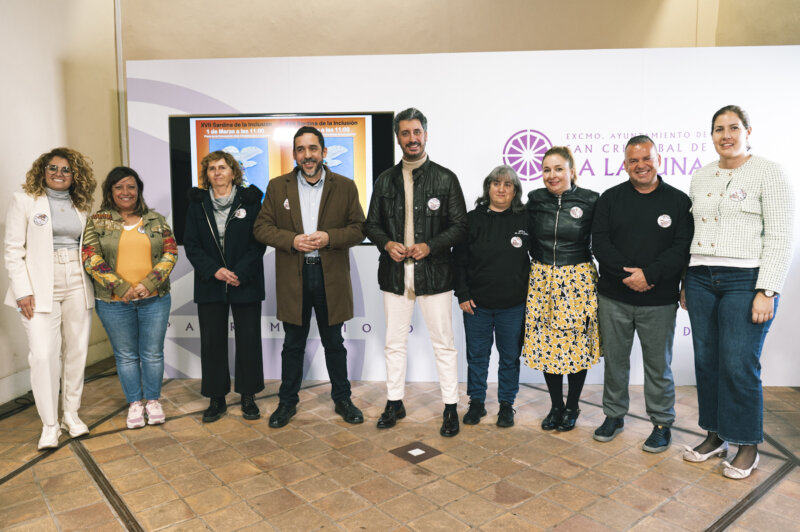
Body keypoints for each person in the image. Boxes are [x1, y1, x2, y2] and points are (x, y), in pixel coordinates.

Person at [681, 105, 793, 479]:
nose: (725, 135)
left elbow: (780, 236)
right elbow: (691, 233)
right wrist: (686, 278)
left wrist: (768, 289)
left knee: (739, 364)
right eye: (718, 129)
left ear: (748, 131)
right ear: (711, 136)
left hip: (744, 280)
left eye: (732, 127)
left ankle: (747, 445)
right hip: (699, 278)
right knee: (707, 361)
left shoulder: (768, 172)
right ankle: (714, 436)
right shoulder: (700, 176)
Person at [253, 126, 366, 428]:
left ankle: (343, 399)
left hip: (331, 278)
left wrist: (329, 237)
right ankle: (287, 403)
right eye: (301, 150)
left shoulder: (344, 186)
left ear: (324, 152)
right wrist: (292, 241)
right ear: (294, 154)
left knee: (334, 344)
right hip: (294, 277)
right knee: (293, 345)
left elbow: (358, 228)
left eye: (313, 149)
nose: (307, 155)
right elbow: (261, 228)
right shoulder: (278, 187)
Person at [365, 107, 468, 437]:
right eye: (405, 133)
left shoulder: (445, 178)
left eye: (417, 132)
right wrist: (386, 243)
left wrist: (431, 245)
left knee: (444, 344)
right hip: (395, 274)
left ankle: (450, 407)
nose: (412, 138)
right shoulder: (385, 180)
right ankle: (394, 401)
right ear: (398, 137)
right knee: (394, 343)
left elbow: (460, 226)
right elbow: (371, 224)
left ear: (426, 134)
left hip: (435, 273)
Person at [591, 135, 692, 452]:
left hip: (659, 301)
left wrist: (649, 275)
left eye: (646, 158)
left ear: (658, 160)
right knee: (615, 363)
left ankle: (662, 423)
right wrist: (630, 275)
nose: (640, 165)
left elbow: (681, 249)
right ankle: (614, 416)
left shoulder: (678, 201)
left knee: (658, 367)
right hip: (614, 298)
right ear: (625, 165)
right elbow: (600, 244)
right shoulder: (610, 199)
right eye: (633, 160)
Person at [4, 148, 96, 449]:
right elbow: (13, 251)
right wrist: (22, 291)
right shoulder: (24, 201)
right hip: (39, 285)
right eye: (53, 168)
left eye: (66, 169)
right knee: (43, 355)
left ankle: (71, 414)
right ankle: (50, 425)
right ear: (43, 171)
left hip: (77, 281)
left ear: (75, 175)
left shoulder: (81, 204)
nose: (59, 173)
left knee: (76, 351)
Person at [82, 167, 177, 429]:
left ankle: (153, 401)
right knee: (125, 356)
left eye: (131, 187)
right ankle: (135, 404)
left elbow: (170, 253)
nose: (126, 192)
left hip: (154, 299)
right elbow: (90, 257)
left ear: (139, 190)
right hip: (113, 302)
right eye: (119, 187)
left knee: (153, 354)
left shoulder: (156, 220)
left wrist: (148, 284)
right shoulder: (97, 221)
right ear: (110, 191)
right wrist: (120, 286)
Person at [184, 151, 267, 423]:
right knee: (212, 342)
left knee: (249, 340)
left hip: (246, 281)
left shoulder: (251, 201)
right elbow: (192, 245)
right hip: (211, 284)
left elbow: (259, 242)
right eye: (211, 169)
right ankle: (216, 399)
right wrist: (215, 271)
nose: (217, 173)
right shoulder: (197, 204)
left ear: (234, 172)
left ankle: (248, 396)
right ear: (206, 174)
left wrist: (240, 272)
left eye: (222, 167)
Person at [522, 146, 601, 432]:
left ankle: (573, 406)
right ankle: (556, 406)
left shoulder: (591, 200)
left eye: (558, 169)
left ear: (571, 171)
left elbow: (602, 241)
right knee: (546, 344)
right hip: (542, 278)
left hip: (577, 278)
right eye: (546, 170)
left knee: (576, 345)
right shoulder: (535, 199)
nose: (551, 175)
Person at [454, 165, 529, 428]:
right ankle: (477, 403)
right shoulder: (472, 219)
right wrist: (462, 293)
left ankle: (507, 405)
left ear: (515, 191)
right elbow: (459, 260)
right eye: (496, 183)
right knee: (477, 356)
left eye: (507, 184)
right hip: (477, 305)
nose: (501, 188)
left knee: (510, 357)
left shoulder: (524, 220)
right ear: (488, 187)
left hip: (513, 305)